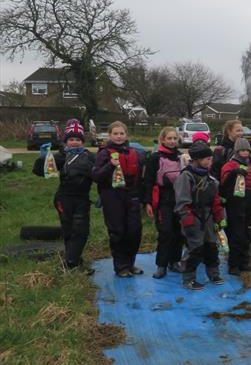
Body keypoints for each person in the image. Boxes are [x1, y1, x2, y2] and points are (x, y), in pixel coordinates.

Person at [32, 119, 95, 273]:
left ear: (82, 141)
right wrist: (42, 158)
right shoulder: (61, 156)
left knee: (81, 231)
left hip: (82, 199)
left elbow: (100, 175)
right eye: (71, 139)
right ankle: (74, 263)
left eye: (78, 139)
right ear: (66, 141)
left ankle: (70, 262)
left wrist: (103, 194)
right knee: (68, 231)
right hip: (64, 198)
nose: (74, 142)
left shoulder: (90, 156)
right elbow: (40, 172)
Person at [92, 121, 145, 278]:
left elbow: (141, 177)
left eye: (122, 133)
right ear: (110, 135)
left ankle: (130, 263)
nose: (119, 136)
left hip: (132, 195)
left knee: (134, 231)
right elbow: (96, 176)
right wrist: (110, 165)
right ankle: (121, 266)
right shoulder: (104, 153)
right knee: (118, 231)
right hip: (112, 196)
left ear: (126, 135)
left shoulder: (135, 153)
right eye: (115, 133)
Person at [174, 140, 226, 289]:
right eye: (207, 159)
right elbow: (182, 202)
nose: (210, 162)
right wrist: (187, 220)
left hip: (208, 217)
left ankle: (214, 273)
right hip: (192, 217)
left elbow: (215, 200)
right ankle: (189, 278)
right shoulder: (186, 177)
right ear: (196, 160)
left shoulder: (210, 179)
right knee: (195, 249)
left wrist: (219, 217)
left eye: (211, 159)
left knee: (211, 246)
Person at [142, 126, 185, 279]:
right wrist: (147, 202)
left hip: (179, 199)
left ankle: (174, 261)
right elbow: (147, 181)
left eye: (175, 138)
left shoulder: (181, 157)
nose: (172, 141)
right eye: (169, 138)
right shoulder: (155, 157)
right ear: (162, 140)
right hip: (163, 199)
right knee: (165, 232)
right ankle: (161, 265)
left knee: (179, 232)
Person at [219, 137, 251, 274]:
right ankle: (233, 264)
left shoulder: (250, 165)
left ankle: (244, 262)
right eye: (242, 150)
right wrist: (233, 174)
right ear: (236, 151)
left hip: (248, 204)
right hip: (235, 205)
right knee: (237, 235)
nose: (245, 153)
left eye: (247, 150)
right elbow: (223, 186)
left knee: (246, 234)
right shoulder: (230, 165)